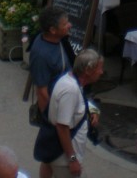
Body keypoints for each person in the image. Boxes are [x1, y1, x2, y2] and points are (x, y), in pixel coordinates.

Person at [37, 49, 103, 177]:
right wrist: (72, 160)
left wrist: (92, 111)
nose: (101, 72)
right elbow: (62, 127)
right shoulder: (70, 90)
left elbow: (75, 105)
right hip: (63, 160)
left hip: (59, 155)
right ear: (88, 70)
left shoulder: (71, 81)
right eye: (99, 68)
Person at [29, 6, 72, 178]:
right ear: (53, 30)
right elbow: (42, 92)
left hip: (63, 105)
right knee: (51, 155)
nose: (69, 25)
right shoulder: (41, 54)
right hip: (56, 113)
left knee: (48, 158)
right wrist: (53, 122)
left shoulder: (58, 40)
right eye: (65, 24)